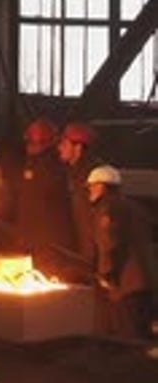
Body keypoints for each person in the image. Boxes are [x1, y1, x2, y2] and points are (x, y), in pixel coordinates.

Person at [86, 165, 155, 340]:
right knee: (143, 334)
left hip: (126, 285)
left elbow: (108, 244)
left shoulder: (107, 209)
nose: (89, 192)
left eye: (91, 186)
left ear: (101, 186)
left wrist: (106, 277)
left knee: (126, 338)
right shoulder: (135, 207)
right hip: (146, 280)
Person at [15, 117, 76, 276]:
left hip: (47, 242)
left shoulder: (51, 167)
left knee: (47, 277)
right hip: (37, 239)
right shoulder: (37, 163)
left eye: (31, 142)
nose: (28, 146)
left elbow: (44, 204)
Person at [58, 120, 103, 270]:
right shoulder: (73, 172)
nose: (60, 148)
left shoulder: (94, 176)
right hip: (84, 249)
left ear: (78, 147)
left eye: (64, 143)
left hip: (94, 252)